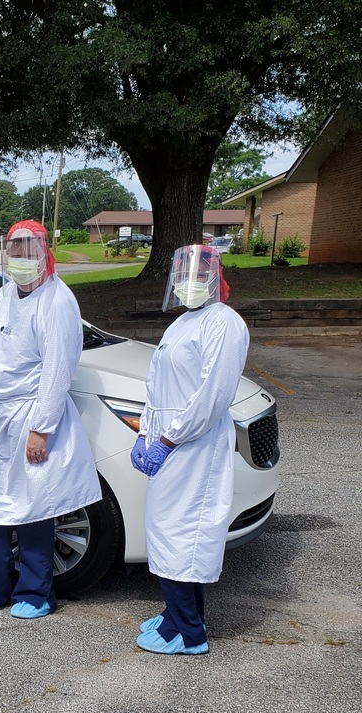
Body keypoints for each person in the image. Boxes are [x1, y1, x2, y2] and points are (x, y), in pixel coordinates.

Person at [0, 220, 101, 618]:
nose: (22, 258)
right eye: (15, 250)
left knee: (34, 505)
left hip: (29, 414)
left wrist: (42, 428)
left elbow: (59, 369)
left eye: (29, 249)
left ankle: (35, 592)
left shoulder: (57, 301)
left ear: (45, 252)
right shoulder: (4, 295)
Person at [130, 244, 250, 654]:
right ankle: (175, 615)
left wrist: (168, 438)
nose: (188, 282)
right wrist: (144, 432)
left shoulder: (224, 323)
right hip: (170, 439)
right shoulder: (183, 322)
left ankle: (190, 633)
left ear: (216, 277)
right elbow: (156, 384)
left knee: (184, 536)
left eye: (198, 274)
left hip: (193, 444)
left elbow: (211, 396)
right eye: (181, 274)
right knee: (165, 531)